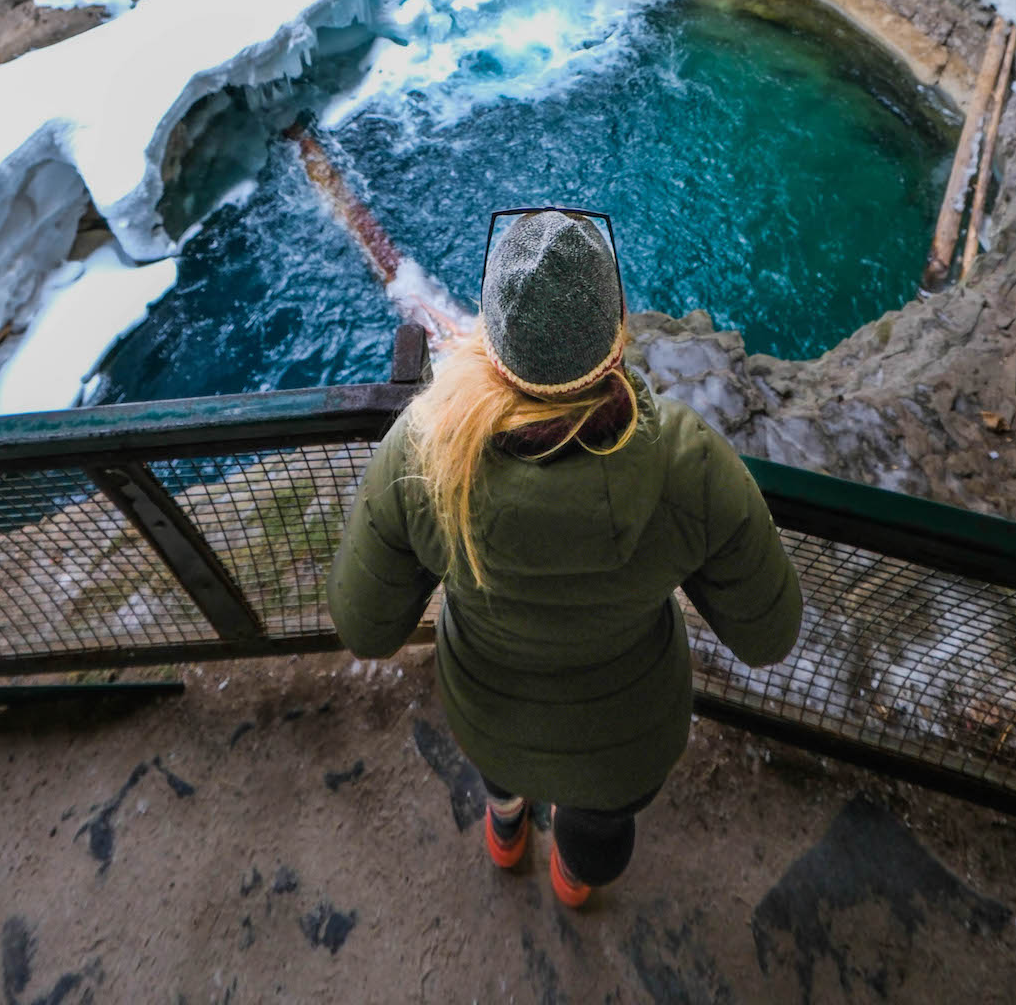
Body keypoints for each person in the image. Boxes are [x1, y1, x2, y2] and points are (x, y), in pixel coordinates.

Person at [327, 208, 803, 906]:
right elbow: (768, 636)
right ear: (616, 345)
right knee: (600, 826)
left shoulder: (426, 450)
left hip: (488, 712)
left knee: (502, 771)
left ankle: (507, 825)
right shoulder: (686, 461)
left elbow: (367, 629)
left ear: (494, 346)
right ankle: (575, 887)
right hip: (626, 736)